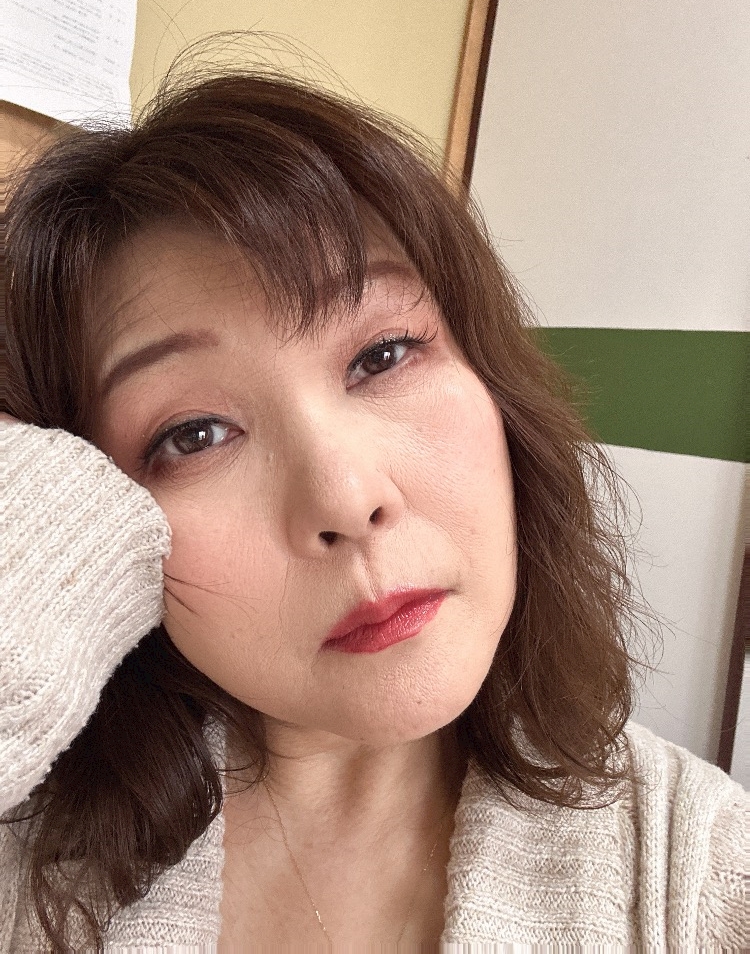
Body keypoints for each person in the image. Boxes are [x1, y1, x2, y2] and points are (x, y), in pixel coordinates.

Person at [1, 65, 746, 952]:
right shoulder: (28, 858)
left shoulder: (703, 873)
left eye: (383, 355)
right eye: (194, 435)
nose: (349, 500)